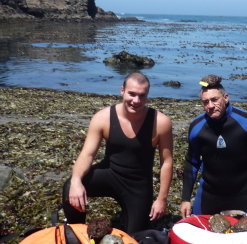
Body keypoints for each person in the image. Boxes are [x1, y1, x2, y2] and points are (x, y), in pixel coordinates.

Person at [62, 72, 173, 233]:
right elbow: (87, 154)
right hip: (110, 173)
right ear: (122, 91)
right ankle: (76, 231)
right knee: (69, 186)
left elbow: (167, 162)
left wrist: (161, 199)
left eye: (142, 96)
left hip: (138, 186)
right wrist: (77, 181)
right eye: (132, 94)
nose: (136, 101)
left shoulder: (161, 123)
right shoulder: (103, 118)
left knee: (135, 238)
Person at [180, 75, 247, 219]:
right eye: (205, 102)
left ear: (226, 97)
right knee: (203, 235)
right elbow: (192, 163)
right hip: (209, 194)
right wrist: (185, 199)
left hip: (244, 193)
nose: (211, 105)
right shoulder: (197, 126)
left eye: (215, 100)